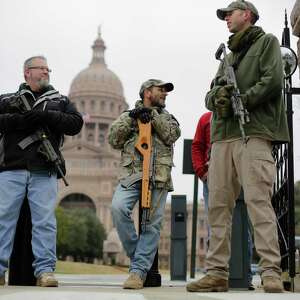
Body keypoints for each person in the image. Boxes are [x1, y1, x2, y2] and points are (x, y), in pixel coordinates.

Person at [187, 1, 289, 293]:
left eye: (229, 14)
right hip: (222, 138)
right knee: (218, 207)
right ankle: (217, 272)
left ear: (247, 15)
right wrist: (218, 97)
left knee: (259, 203)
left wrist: (240, 100)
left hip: (253, 132)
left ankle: (270, 271)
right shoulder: (227, 57)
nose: (226, 19)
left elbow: (272, 81)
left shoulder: (266, 42)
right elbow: (209, 96)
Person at [0, 56, 83, 287]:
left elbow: (75, 124)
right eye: (42, 68)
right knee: (3, 219)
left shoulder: (60, 100)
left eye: (48, 68)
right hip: (11, 168)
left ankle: (45, 271)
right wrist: (20, 120)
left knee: (45, 222)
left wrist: (46, 115)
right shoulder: (7, 99)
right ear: (27, 72)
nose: (47, 72)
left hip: (44, 169)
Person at [109, 79, 180, 289]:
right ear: (147, 92)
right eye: (161, 90)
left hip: (157, 176)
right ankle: (139, 257)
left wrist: (153, 116)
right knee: (117, 208)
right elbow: (113, 140)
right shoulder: (127, 116)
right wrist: (133, 119)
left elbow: (171, 135)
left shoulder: (168, 118)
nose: (165, 93)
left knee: (152, 224)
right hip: (132, 174)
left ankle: (138, 272)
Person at [192, 111, 254, 290]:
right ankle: (215, 273)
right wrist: (202, 173)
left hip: (240, 172)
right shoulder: (205, 118)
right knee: (215, 224)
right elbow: (197, 146)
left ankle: (246, 275)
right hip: (212, 175)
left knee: (243, 227)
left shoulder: (242, 113)